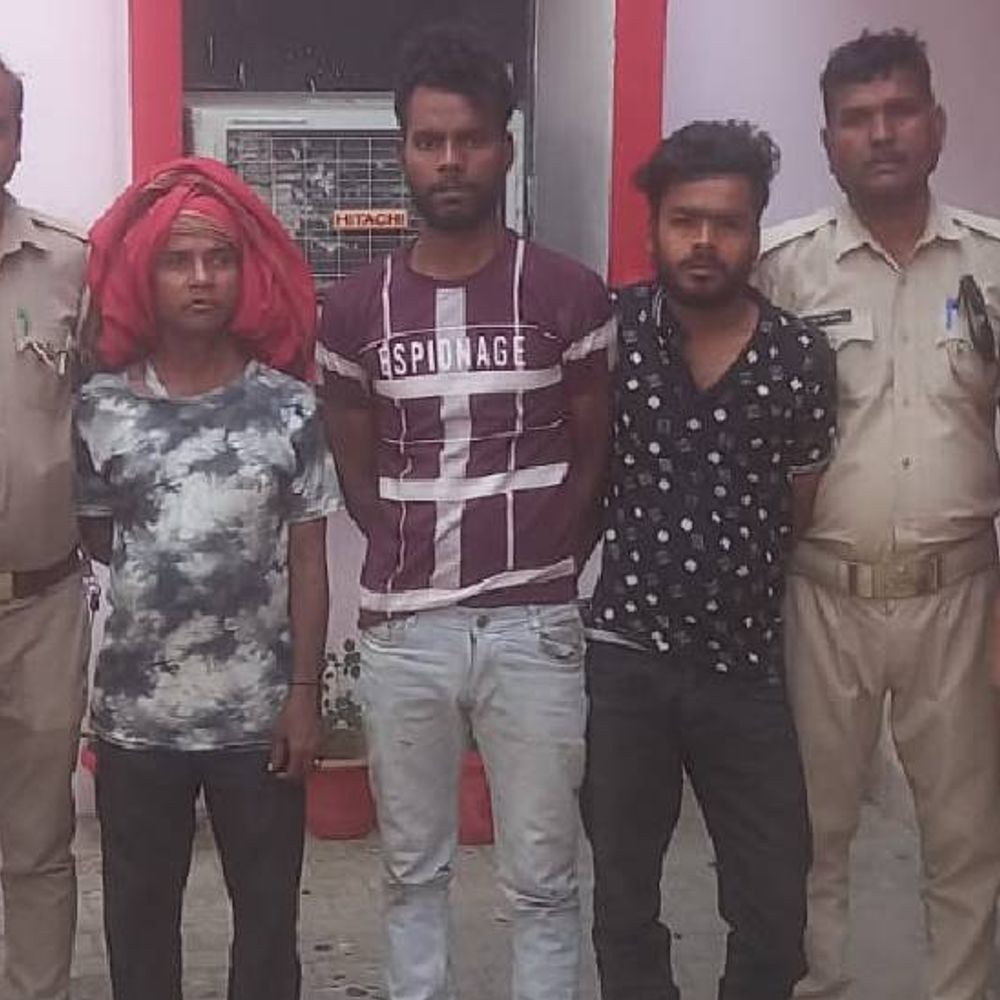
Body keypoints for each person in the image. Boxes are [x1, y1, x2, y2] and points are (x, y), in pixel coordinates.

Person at [318, 26, 614, 1000]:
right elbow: (356, 466)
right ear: (404, 150)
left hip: (535, 626)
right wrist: (412, 552)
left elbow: (594, 453)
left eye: (471, 139)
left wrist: (541, 560)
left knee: (544, 880)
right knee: (412, 872)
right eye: (429, 140)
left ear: (506, 147)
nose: (450, 160)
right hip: (407, 632)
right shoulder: (354, 310)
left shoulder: (569, 295)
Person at [756, 30, 1000, 1000]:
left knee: (967, 838)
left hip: (960, 597)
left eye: (900, 111)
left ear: (936, 126)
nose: (882, 133)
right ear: (828, 143)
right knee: (809, 836)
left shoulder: (991, 262)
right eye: (857, 119)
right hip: (820, 597)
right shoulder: (783, 271)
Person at [75, 157, 340, 1000]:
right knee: (139, 929)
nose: (200, 278)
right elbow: (102, 536)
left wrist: (304, 695)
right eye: (177, 260)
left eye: (219, 258)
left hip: (256, 721)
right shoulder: (102, 409)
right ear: (143, 276)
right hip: (137, 721)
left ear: (245, 273)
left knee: (266, 931)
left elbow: (309, 558)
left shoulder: (290, 408)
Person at [584, 121, 836, 1000]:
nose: (703, 241)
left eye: (726, 223)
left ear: (755, 229)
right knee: (623, 899)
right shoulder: (613, 334)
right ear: (654, 225)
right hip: (627, 662)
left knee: (773, 911)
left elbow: (800, 504)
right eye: (685, 220)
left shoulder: (798, 356)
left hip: (746, 669)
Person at [0, 56, 91, 1000]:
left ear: (17, 139)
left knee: (36, 841)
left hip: (40, 603)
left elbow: (105, 411)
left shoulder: (70, 263)